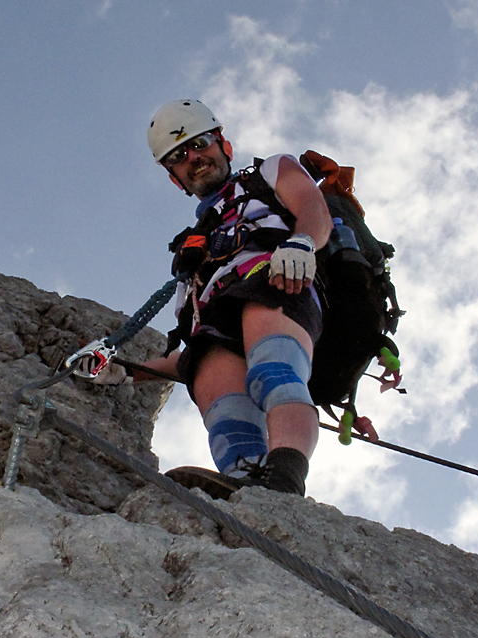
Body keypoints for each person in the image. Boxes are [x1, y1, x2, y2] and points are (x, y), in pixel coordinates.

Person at [89, 99, 331, 497]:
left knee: (273, 372)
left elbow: (311, 206)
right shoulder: (190, 248)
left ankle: (285, 480)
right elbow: (184, 356)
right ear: (174, 178)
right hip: (216, 310)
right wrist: (129, 372)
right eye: (179, 157)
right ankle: (243, 487)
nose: (194, 158)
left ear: (224, 145)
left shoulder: (270, 171)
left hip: (274, 275)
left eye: (200, 143)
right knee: (218, 399)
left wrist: (302, 242)